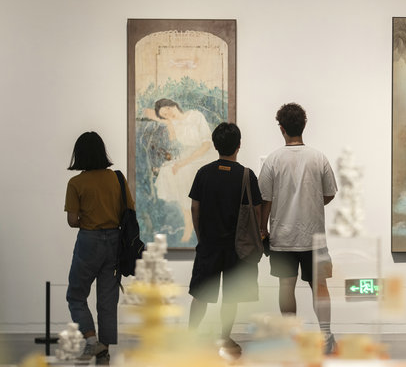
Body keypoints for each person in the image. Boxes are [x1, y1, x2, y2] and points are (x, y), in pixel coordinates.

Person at [258, 102, 338, 354]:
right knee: (320, 286)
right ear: (304, 125)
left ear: (281, 128)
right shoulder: (318, 157)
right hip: (314, 236)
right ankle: (325, 336)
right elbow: (329, 193)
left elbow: (265, 200)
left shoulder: (272, 160)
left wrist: (262, 229)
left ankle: (292, 338)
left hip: (282, 236)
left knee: (286, 286)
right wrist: (312, 202)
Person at [188, 122, 262, 356]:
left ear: (215, 145)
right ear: (239, 145)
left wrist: (201, 236)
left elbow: (195, 208)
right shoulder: (247, 175)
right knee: (231, 298)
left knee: (200, 294)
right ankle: (224, 337)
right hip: (237, 247)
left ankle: (190, 337)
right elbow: (257, 211)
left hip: (209, 244)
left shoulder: (204, 173)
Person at [64, 132, 135, 363]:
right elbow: (129, 210)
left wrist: (89, 220)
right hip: (115, 242)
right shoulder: (116, 178)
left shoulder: (76, 183)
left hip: (89, 242)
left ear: (79, 155)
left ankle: (91, 341)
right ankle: (104, 350)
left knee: (76, 295)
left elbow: (72, 220)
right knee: (107, 299)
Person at [143, 98, 218, 243]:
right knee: (168, 171)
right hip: (188, 156)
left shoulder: (195, 116)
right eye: (165, 115)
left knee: (184, 172)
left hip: (204, 155)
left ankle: (199, 224)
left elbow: (206, 145)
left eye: (167, 110)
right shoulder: (173, 125)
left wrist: (183, 163)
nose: (168, 114)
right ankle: (189, 223)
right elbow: (148, 113)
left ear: (172, 105)